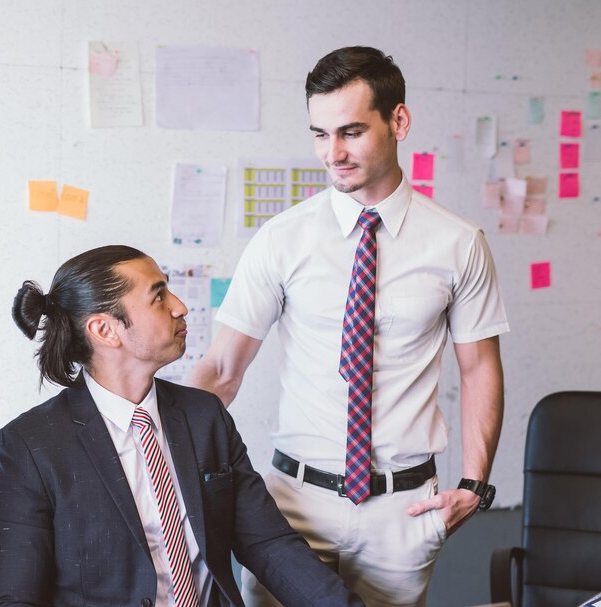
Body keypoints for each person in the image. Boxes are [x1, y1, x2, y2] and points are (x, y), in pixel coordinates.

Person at [189, 46, 509, 607]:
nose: (332, 153)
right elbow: (221, 369)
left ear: (399, 121)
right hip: (292, 505)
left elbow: (480, 365)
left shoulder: (459, 244)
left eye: (351, 131)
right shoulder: (282, 239)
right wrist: (158, 464)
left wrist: (475, 487)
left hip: (402, 511)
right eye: (320, 133)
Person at [0, 245, 365, 607]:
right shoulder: (31, 445)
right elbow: (12, 597)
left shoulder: (204, 416)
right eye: (159, 296)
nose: (180, 308)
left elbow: (268, 543)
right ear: (104, 330)